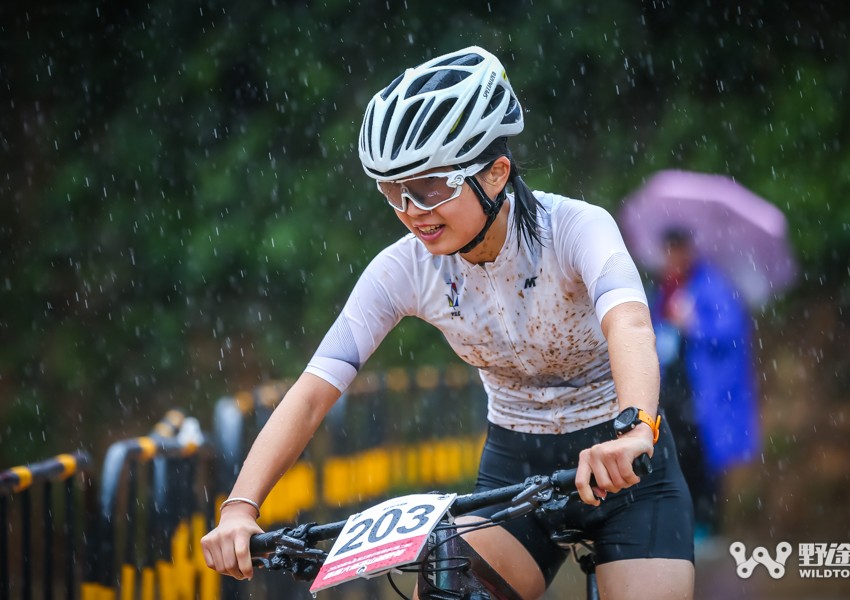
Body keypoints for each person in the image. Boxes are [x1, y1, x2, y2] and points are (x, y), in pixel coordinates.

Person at [201, 46, 694, 599]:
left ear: (497, 172)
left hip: (626, 467)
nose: (413, 210)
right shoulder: (403, 269)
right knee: (446, 592)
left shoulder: (577, 229)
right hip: (516, 476)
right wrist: (240, 508)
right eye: (394, 192)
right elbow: (313, 391)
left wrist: (633, 431)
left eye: (432, 187)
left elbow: (628, 325)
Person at [651, 228, 759, 541]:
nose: (672, 258)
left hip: (705, 388)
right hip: (674, 386)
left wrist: (694, 325)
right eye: (668, 252)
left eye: (677, 250)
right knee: (677, 451)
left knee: (704, 454)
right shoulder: (666, 288)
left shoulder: (712, 284)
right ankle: (683, 520)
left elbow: (730, 331)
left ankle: (707, 522)